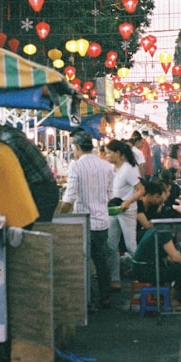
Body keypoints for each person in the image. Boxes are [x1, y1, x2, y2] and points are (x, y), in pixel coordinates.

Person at [0, 109, 60, 222]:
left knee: (34, 234)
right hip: (41, 190)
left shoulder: (9, 142)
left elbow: (7, 176)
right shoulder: (8, 134)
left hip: (41, 192)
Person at [58, 129, 114, 309]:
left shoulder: (76, 166)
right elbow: (109, 194)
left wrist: (59, 216)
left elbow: (69, 197)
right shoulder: (106, 166)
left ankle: (88, 301)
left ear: (77, 147)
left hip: (84, 222)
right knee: (101, 261)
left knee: (83, 262)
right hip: (102, 221)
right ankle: (105, 297)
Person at [132, 219, 181, 308]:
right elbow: (175, 257)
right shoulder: (163, 232)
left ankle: (173, 295)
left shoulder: (155, 229)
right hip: (146, 272)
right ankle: (173, 296)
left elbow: (169, 257)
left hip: (141, 269)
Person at [105, 139, 144, 291]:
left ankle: (148, 272)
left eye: (110, 153)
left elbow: (141, 190)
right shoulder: (110, 169)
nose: (107, 155)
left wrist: (127, 202)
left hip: (127, 211)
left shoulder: (128, 169)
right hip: (113, 210)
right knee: (111, 245)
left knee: (131, 246)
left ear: (119, 154)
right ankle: (115, 279)